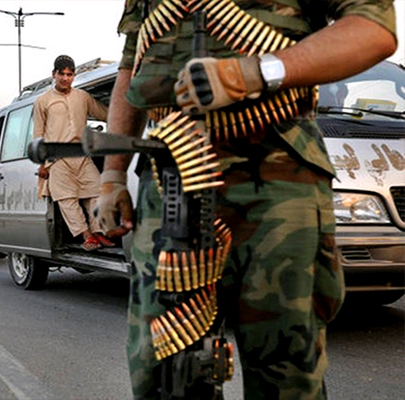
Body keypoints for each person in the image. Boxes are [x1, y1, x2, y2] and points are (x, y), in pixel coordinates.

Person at [97, 1, 397, 399]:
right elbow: (132, 65)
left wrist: (258, 71)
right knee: (164, 369)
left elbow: (373, 30)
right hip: (170, 175)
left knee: (285, 368)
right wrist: (113, 174)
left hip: (278, 178)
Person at [33, 54, 113, 251]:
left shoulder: (82, 97)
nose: (65, 78)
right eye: (62, 74)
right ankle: (87, 236)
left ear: (74, 76)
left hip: (81, 155)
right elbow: (38, 134)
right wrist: (42, 164)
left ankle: (98, 233)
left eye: (69, 75)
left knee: (96, 192)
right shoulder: (43, 101)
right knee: (67, 200)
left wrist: (128, 115)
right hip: (57, 159)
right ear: (54, 74)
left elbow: (104, 114)